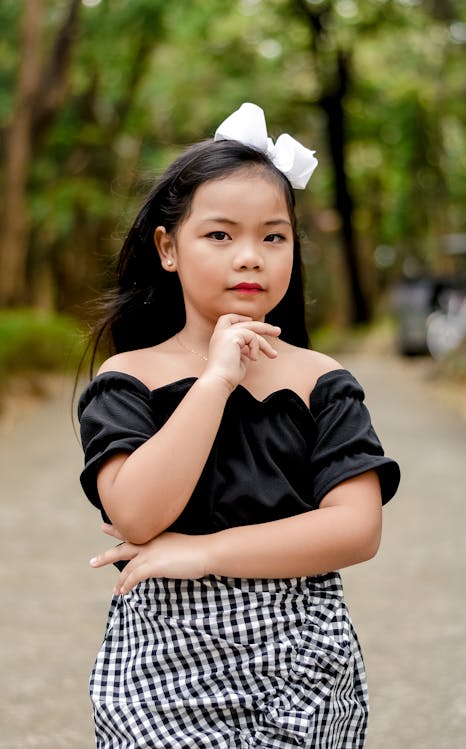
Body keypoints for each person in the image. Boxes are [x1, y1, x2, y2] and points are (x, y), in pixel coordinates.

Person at [78, 102, 400, 749]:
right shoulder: (128, 377)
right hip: (164, 659)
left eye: (273, 236)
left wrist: (206, 552)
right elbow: (137, 513)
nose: (250, 257)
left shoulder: (317, 377)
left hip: (302, 655)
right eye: (220, 235)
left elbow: (357, 526)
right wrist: (218, 378)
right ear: (167, 248)